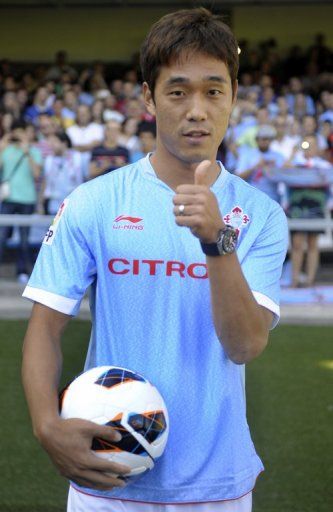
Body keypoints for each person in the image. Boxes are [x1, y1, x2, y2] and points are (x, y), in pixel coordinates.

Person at [22, 8, 288, 512]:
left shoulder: (260, 213)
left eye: (214, 91)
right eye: (177, 91)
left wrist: (216, 241)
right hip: (108, 478)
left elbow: (246, 344)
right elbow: (45, 326)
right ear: (148, 97)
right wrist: (45, 423)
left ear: (233, 98)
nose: (197, 110)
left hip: (218, 485)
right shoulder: (95, 201)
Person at [0, 120, 42, 283]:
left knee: (24, 239)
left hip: (27, 198)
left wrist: (28, 152)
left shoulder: (35, 151)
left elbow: (37, 174)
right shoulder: (6, 149)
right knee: (1, 236)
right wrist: (4, 142)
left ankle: (22, 271)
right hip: (9, 198)